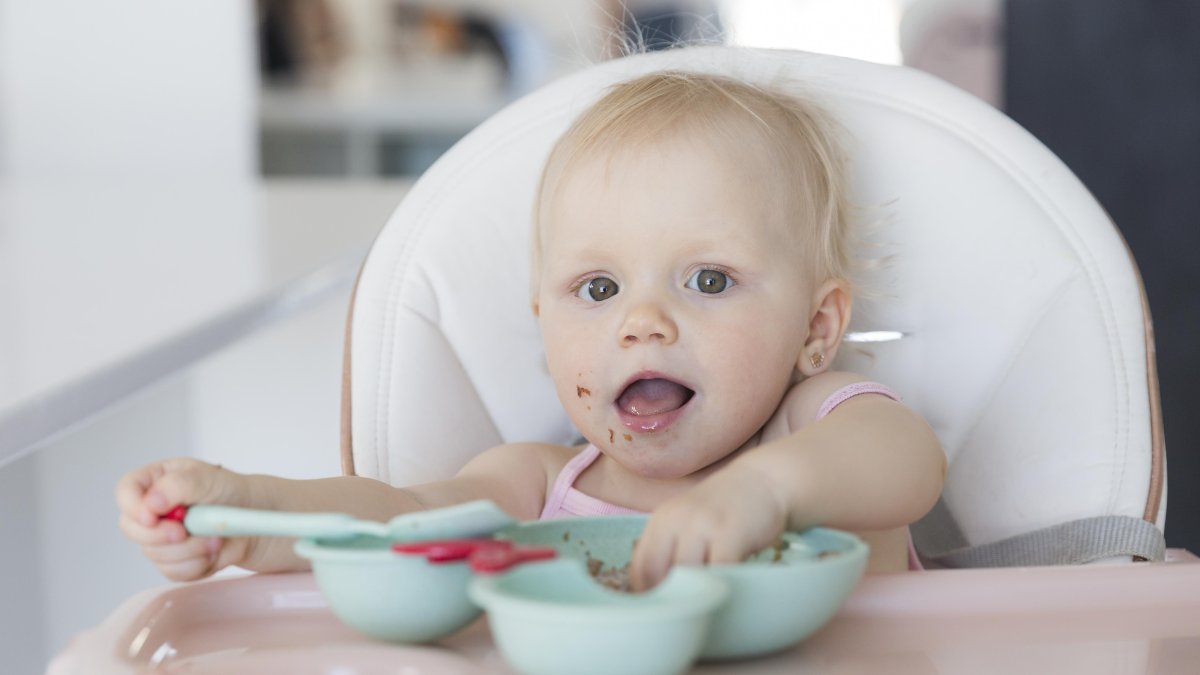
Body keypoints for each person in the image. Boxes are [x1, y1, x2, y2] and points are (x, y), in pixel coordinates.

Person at [116, 68, 946, 591]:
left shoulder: (814, 430)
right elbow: (397, 517)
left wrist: (765, 492)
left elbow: (907, 463)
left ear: (818, 324)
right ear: (542, 320)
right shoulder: (531, 488)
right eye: (597, 286)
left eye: (708, 279)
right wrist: (255, 517)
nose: (643, 321)